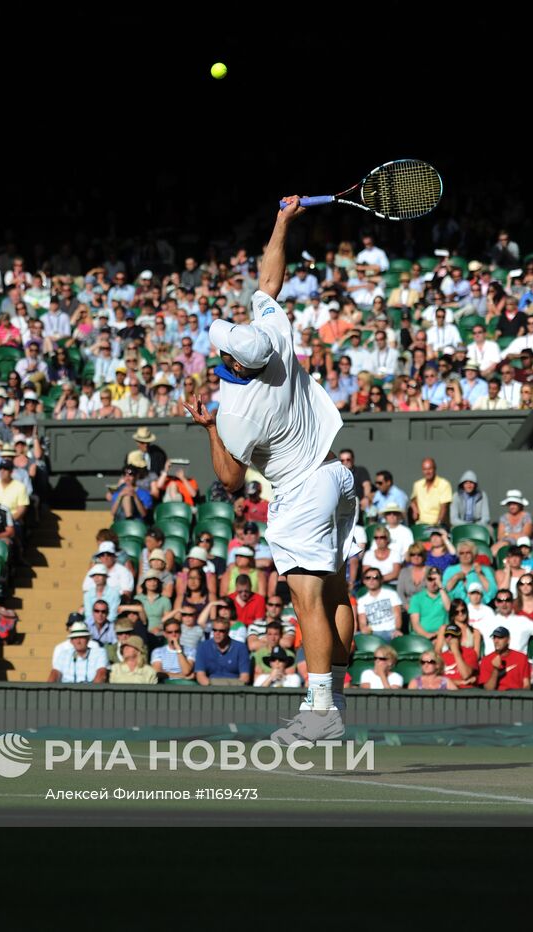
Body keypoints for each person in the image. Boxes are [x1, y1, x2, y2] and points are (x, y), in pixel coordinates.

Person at [182, 197, 352, 741]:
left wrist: (208, 429)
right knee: (335, 593)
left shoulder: (235, 414)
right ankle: (334, 700)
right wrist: (282, 221)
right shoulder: (276, 337)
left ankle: (321, 713)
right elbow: (270, 279)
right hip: (340, 475)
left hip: (301, 493)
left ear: (233, 364)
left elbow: (231, 483)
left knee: (307, 604)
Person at [193, 616, 251, 686]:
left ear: (228, 631)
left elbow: (245, 677)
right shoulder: (203, 647)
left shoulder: (240, 647)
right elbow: (200, 676)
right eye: (214, 630)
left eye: (221, 631)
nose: (217, 633)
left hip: (234, 688)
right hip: (211, 688)